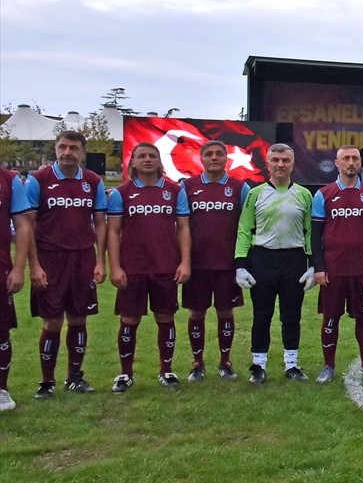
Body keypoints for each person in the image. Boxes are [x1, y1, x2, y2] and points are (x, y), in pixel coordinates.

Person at [25, 131, 108, 397]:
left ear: (83, 152)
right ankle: (46, 382)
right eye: (62, 147)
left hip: (82, 258)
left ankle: (75, 376)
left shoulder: (93, 182)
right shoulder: (39, 180)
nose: (67, 152)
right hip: (50, 259)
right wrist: (34, 266)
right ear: (55, 150)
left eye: (73, 148)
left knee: (79, 319)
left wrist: (100, 260)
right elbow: (27, 225)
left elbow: (101, 223)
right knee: (51, 323)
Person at [106, 142, 192, 391]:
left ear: (159, 161)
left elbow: (184, 228)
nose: (147, 160)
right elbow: (113, 232)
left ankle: (166, 370)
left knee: (165, 317)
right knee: (129, 319)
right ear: (132, 162)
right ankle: (125, 374)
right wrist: (115, 266)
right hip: (132, 267)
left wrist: (185, 261)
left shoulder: (175, 191)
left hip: (165, 266)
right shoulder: (121, 193)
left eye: (152, 156)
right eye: (141, 156)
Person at [235, 143, 315, 383]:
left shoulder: (303, 194)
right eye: (275, 160)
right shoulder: (255, 193)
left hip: (294, 261)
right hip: (263, 259)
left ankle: (292, 365)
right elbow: (244, 230)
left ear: (293, 163)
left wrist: (313, 264)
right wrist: (240, 264)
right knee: (262, 315)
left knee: (291, 315)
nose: (280, 164)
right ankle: (258, 366)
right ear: (267, 164)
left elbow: (310, 231)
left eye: (285, 160)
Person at [310, 145, 363, 385]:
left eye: (355, 158)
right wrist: (319, 267)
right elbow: (315, 234)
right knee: (331, 318)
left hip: (362, 268)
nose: (351, 162)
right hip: (333, 270)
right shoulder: (324, 194)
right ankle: (328, 366)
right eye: (346, 158)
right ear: (337, 163)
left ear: (361, 163)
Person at [180, 140, 251, 381]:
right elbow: (180, 226)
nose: (214, 158)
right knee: (196, 313)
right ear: (201, 159)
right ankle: (197, 362)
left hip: (226, 264)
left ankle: (225, 361)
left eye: (219, 154)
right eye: (209, 154)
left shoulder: (240, 188)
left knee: (225, 312)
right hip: (197, 264)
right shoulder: (186, 187)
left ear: (226, 159)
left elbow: (247, 226)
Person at [0, 166, 33, 411]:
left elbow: (22, 226)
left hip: (1, 266)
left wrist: (19, 268)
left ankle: (1, 389)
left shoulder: (9, 179)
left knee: (1, 331)